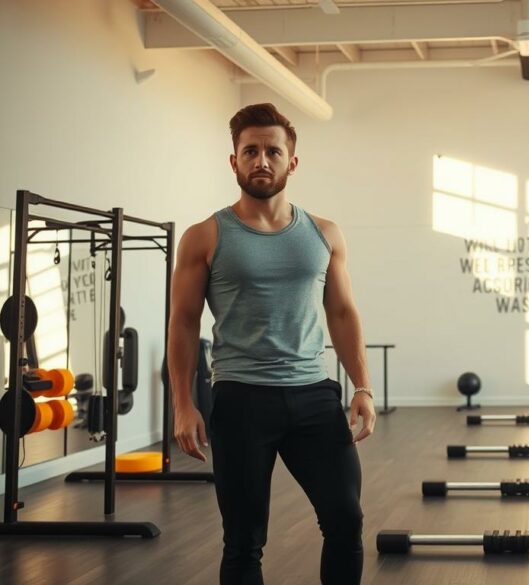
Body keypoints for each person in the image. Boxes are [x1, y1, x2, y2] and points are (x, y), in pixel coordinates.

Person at [168, 102, 375, 585]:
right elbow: (182, 322)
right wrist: (183, 403)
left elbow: (342, 313)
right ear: (234, 161)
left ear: (292, 162)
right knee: (243, 542)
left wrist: (361, 386)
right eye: (251, 151)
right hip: (241, 400)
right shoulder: (205, 237)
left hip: (314, 397)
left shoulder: (324, 234)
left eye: (273, 151)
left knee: (346, 520)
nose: (262, 160)